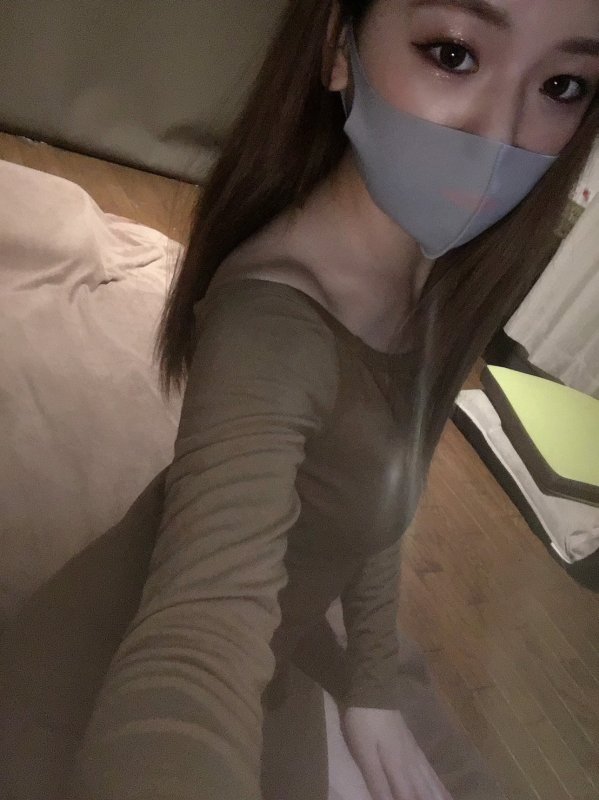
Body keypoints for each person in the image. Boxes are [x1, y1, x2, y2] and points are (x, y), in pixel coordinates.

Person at [2, 1, 597, 799]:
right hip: (85, 683)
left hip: (284, 649)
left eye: (561, 85)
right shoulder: (272, 327)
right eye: (453, 54)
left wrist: (372, 688)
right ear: (337, 49)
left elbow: (381, 493)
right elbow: (197, 643)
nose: (500, 133)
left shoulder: (431, 284)